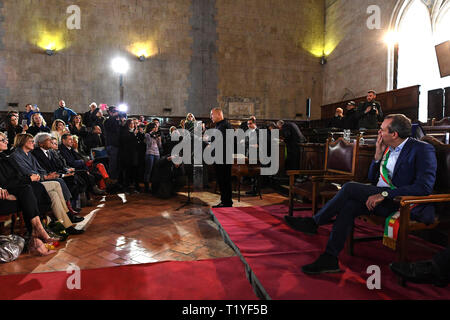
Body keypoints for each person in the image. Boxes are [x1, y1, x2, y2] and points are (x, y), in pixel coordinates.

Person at [284, 114, 437, 274]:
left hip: (402, 203)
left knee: (349, 188)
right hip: (381, 198)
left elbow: (424, 187)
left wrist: (384, 194)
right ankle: (330, 258)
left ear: (394, 134)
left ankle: (314, 223)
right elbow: (372, 179)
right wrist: (377, 157)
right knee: (349, 206)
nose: (379, 133)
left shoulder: (422, 149)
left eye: (381, 130)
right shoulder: (387, 148)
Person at [0, 132, 56, 256]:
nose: (6, 141)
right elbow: (6, 182)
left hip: (15, 187)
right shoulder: (12, 156)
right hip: (6, 192)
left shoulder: (5, 157)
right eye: (2, 140)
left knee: (34, 188)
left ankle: (36, 233)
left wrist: (30, 178)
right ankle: (37, 233)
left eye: (5, 139)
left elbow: (17, 177)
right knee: (27, 189)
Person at [10, 133, 84, 223]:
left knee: (54, 194)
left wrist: (46, 175)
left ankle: (66, 223)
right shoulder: (16, 156)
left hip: (38, 180)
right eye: (31, 141)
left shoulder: (29, 154)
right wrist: (44, 177)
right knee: (57, 183)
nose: (34, 143)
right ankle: (68, 214)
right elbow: (26, 172)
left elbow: (40, 169)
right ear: (23, 142)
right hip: (30, 184)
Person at [210, 107, 233, 208]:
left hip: (223, 158)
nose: (211, 116)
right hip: (220, 157)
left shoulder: (225, 126)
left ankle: (227, 203)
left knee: (224, 181)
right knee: (222, 181)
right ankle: (225, 201)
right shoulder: (220, 126)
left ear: (219, 114)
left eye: (212, 114)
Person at [120, 119, 140, 193]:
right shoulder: (125, 132)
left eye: (133, 123)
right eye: (131, 123)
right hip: (127, 155)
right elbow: (125, 142)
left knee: (135, 171)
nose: (133, 125)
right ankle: (126, 188)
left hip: (134, 154)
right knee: (127, 172)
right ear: (128, 124)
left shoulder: (135, 131)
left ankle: (135, 187)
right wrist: (133, 134)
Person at [104, 106, 121, 181]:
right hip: (112, 145)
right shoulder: (107, 121)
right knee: (113, 164)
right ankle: (111, 180)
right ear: (110, 112)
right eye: (115, 111)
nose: (117, 113)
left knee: (116, 164)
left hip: (116, 145)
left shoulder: (117, 120)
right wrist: (115, 117)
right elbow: (113, 128)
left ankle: (115, 179)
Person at [144, 122, 162, 193]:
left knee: (156, 171)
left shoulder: (157, 135)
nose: (156, 128)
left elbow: (159, 146)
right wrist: (152, 135)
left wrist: (159, 139)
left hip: (157, 153)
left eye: (156, 127)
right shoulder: (147, 134)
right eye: (154, 127)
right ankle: (147, 187)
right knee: (148, 170)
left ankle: (154, 187)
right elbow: (149, 144)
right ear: (151, 128)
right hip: (150, 153)